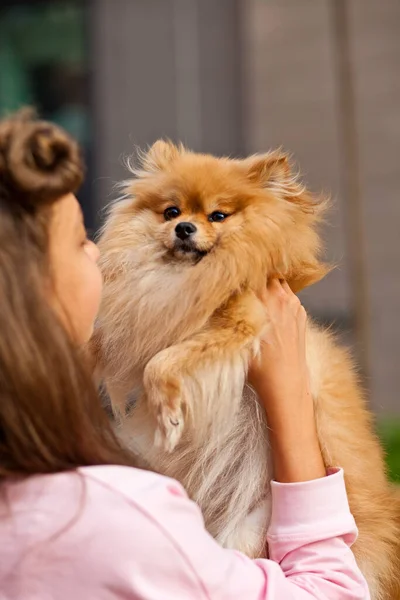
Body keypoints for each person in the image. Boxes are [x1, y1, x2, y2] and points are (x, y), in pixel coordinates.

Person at [0, 110, 369, 599]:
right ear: (29, 295)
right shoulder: (117, 519)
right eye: (77, 241)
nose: (96, 250)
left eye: (216, 215)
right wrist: (291, 397)